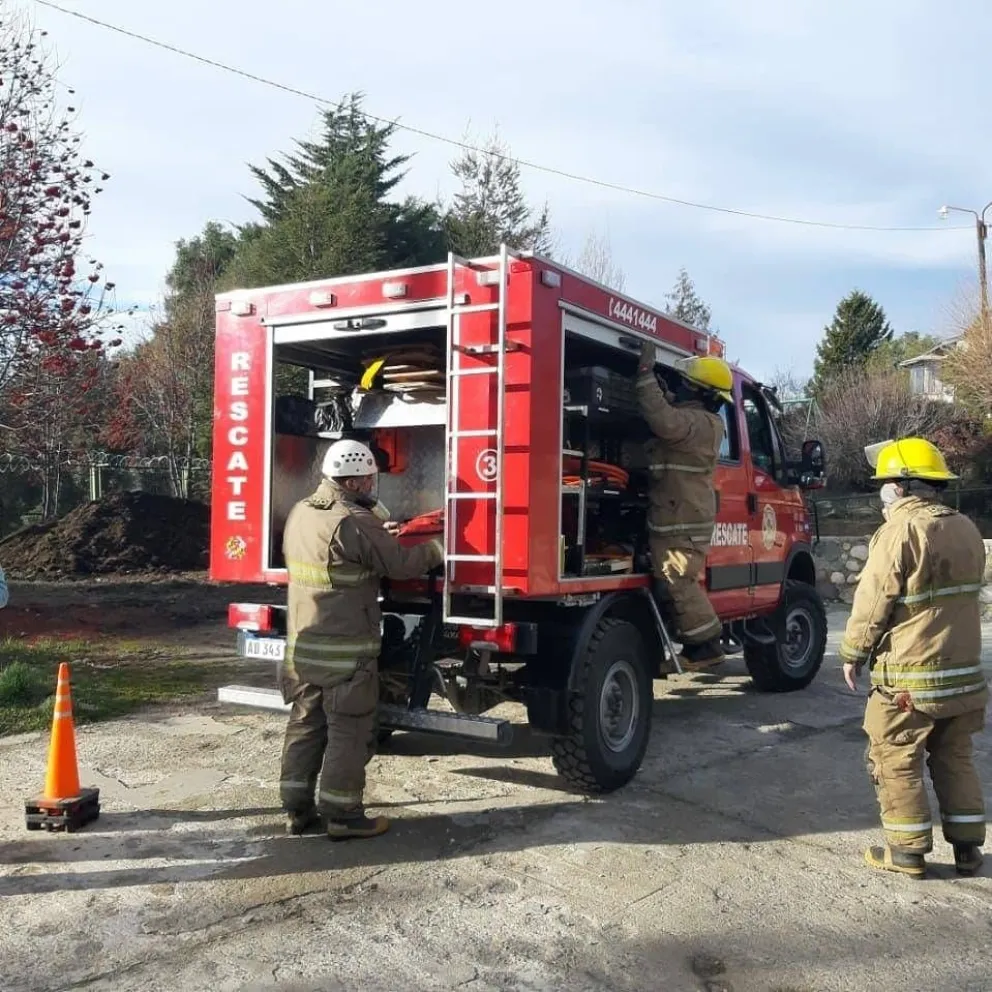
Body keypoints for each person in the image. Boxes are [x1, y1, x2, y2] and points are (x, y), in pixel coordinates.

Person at [279, 438, 444, 840]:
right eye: (369, 479)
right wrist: (438, 548)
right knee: (348, 730)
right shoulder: (354, 520)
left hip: (304, 647)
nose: (373, 484)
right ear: (353, 481)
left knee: (305, 724)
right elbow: (401, 564)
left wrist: (376, 532)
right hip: (346, 651)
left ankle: (296, 810)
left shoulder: (301, 511)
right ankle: (343, 815)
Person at [840, 437, 988, 879]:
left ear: (900, 486)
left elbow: (874, 600)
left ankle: (906, 854)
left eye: (884, 483)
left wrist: (853, 652)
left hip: (908, 679)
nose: (881, 492)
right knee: (955, 757)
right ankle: (968, 850)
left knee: (895, 757)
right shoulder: (966, 527)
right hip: (963, 675)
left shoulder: (900, 530)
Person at [636, 341, 733, 670]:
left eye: (684, 385)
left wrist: (646, 375)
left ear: (699, 392)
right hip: (678, 517)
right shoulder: (705, 422)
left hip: (681, 521)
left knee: (678, 579)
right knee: (673, 579)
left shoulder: (699, 424)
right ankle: (697, 644)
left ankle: (706, 647)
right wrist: (664, 391)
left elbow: (663, 420)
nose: (679, 388)